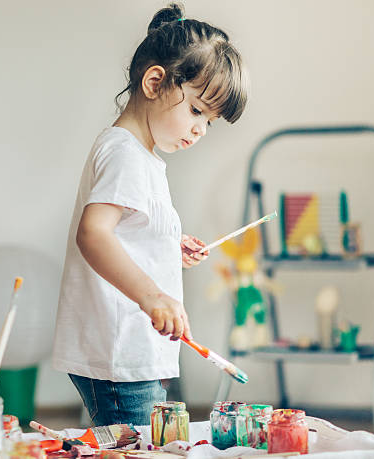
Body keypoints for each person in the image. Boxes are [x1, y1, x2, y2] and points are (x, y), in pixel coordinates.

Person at [52, 3, 249, 427]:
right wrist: (152, 295)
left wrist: (167, 244)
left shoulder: (140, 156)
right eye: (197, 111)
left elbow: (123, 229)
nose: (200, 130)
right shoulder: (126, 154)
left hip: (132, 348)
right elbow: (94, 235)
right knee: (135, 447)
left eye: (210, 122)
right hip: (121, 350)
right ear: (155, 81)